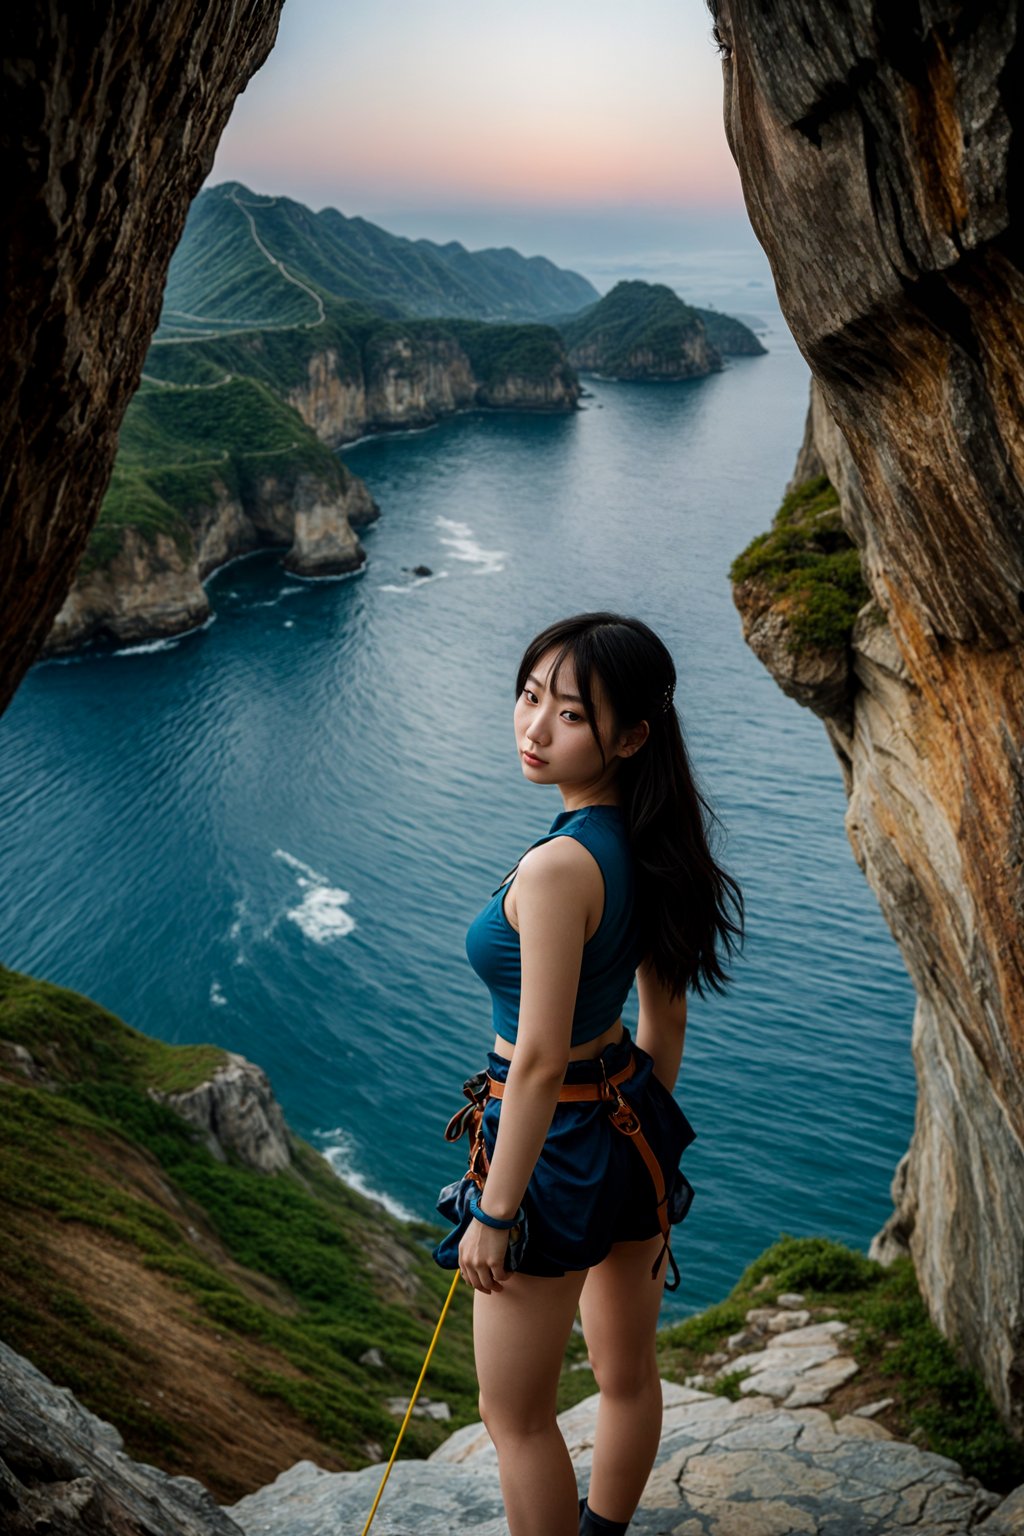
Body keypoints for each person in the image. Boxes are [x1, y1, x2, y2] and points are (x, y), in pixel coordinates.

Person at [434, 611, 744, 1536]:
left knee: (516, 1418)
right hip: (627, 1121)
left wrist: (494, 1214)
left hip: (552, 1137)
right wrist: (634, 1134)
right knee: (626, 1374)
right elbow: (666, 1017)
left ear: (630, 735)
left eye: (568, 713)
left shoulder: (560, 867)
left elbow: (532, 1062)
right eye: (529, 698)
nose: (533, 729)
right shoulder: (652, 842)